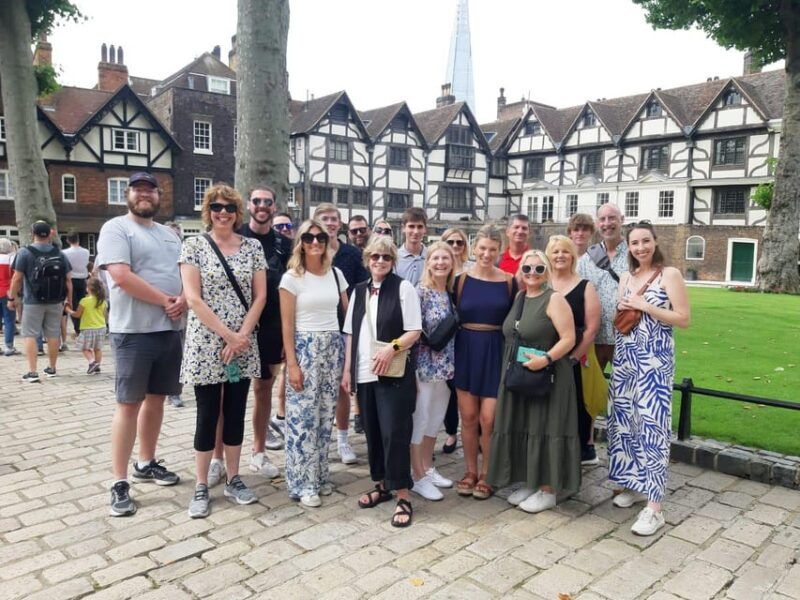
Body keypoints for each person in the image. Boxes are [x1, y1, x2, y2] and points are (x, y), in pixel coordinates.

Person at [97, 171, 185, 517]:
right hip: (133, 331)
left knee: (157, 400)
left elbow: (184, 273)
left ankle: (145, 461)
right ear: (128, 195)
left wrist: (184, 300)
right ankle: (119, 481)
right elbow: (120, 276)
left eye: (150, 190)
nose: (144, 195)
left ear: (158, 196)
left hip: (169, 329)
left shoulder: (170, 234)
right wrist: (167, 300)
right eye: (138, 190)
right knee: (128, 404)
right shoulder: (116, 229)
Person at [180, 183, 267, 518]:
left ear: (237, 212)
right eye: (217, 207)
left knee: (234, 412)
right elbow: (193, 298)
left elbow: (260, 296)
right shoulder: (194, 246)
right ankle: (201, 483)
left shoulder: (253, 247)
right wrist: (228, 336)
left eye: (229, 208)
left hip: (243, 343)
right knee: (206, 413)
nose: (223, 213)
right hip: (207, 342)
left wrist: (241, 336)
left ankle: (234, 476)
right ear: (209, 210)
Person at [608, 221, 690, 536]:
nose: (640, 247)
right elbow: (620, 313)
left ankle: (655, 506)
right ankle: (634, 482)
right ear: (628, 247)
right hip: (626, 358)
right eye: (634, 243)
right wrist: (626, 304)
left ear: (655, 242)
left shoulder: (669, 274)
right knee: (626, 423)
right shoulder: (627, 277)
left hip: (654, 362)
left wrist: (644, 305)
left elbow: (683, 319)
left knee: (652, 425)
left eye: (645, 241)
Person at [487, 250, 580, 513]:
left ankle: (548, 490)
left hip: (547, 375)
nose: (532, 274)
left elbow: (569, 338)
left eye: (539, 269)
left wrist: (546, 359)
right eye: (527, 269)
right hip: (520, 374)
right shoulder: (519, 297)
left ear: (547, 271)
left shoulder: (555, 299)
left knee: (545, 427)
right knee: (526, 425)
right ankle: (531, 480)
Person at [212, 185, 291, 487]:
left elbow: (289, 291)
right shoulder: (236, 237)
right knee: (227, 393)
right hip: (236, 329)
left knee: (263, 391)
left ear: (274, 206)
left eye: (267, 202)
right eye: (256, 201)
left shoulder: (285, 245)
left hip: (270, 328)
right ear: (248, 205)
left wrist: (287, 335)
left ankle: (259, 451)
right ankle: (218, 458)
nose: (262, 206)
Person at [342, 236, 422, 527]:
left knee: (395, 433)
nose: (379, 261)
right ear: (367, 259)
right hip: (364, 372)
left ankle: (403, 495)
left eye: (385, 257)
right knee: (373, 432)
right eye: (375, 257)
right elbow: (350, 333)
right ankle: (382, 485)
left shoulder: (404, 288)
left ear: (392, 261)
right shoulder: (359, 291)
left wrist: (392, 348)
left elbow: (415, 330)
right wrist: (348, 371)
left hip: (393, 373)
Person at [280, 219, 349, 508]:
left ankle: (319, 474)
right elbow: (287, 326)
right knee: (302, 419)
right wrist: (293, 364)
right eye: (309, 237)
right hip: (305, 349)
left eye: (320, 237)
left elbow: (349, 313)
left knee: (324, 415)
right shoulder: (291, 278)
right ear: (301, 241)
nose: (315, 242)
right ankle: (302, 481)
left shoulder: (336, 274)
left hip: (332, 348)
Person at [453, 224, 516, 500]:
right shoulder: (460, 280)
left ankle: (488, 473)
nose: (487, 254)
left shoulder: (510, 281)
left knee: (489, 419)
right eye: (482, 248)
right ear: (474, 248)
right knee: (467, 417)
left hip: (495, 351)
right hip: (466, 348)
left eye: (492, 249)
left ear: (499, 250)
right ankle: (469, 470)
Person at [313, 203, 369, 464]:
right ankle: (318, 441)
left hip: (342, 327)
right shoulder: (307, 252)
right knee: (314, 390)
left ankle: (343, 440)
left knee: (343, 387)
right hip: (313, 327)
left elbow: (363, 287)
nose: (331, 222)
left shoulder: (350, 253)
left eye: (335, 219)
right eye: (325, 218)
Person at [546, 235, 601, 465]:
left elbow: (591, 327)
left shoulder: (584, 286)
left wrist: (573, 357)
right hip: (544, 355)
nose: (560, 256)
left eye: (565, 251)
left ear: (573, 256)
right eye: (555, 251)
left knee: (577, 405)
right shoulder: (541, 281)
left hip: (573, 358)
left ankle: (576, 455)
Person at [411, 242, 456, 501]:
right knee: (421, 418)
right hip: (424, 367)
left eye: (445, 258)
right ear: (428, 263)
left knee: (435, 419)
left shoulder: (449, 293)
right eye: (436, 258)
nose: (440, 262)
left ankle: (427, 467)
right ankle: (416, 475)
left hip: (446, 367)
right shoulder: (421, 292)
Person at [8, 221, 72, 382]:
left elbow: (17, 278)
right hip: (55, 301)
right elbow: (68, 280)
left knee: (30, 334)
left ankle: (32, 371)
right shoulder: (60, 253)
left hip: (32, 301)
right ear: (50, 234)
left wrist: (12, 298)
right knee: (53, 333)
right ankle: (52, 368)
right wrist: (68, 301)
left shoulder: (24, 253)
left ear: (33, 234)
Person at [578, 204, 628, 370]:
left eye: (612, 217)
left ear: (622, 220)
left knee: (627, 392)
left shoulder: (635, 254)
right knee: (590, 393)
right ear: (597, 223)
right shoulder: (587, 259)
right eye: (602, 219)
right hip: (594, 339)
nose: (607, 223)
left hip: (625, 338)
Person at [439, 227, 473, 453]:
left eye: (459, 243)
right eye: (450, 242)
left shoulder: (472, 270)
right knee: (448, 388)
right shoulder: (441, 268)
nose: (455, 247)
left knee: (468, 386)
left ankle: (473, 430)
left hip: (469, 335)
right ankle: (452, 431)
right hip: (446, 337)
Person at [269, 211, 295, 441]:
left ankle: (281, 416)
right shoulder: (271, 253)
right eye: (279, 227)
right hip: (270, 322)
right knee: (269, 377)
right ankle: (272, 420)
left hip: (291, 322)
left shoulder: (294, 253)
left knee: (286, 371)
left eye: (288, 226)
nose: (285, 230)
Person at [65, 277, 107, 375]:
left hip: (88, 328)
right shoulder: (103, 301)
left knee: (84, 347)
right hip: (101, 327)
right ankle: (97, 366)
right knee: (98, 348)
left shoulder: (84, 301)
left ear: (88, 288)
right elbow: (104, 315)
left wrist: (68, 310)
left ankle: (92, 363)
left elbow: (77, 315)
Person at [164, 222, 185, 408]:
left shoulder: (186, 253)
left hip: (182, 315)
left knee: (178, 355)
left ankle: (174, 392)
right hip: (159, 311)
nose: (175, 238)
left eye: (177, 235)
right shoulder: (159, 254)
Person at [62, 231, 90, 337]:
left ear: (68, 240)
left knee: (72, 303)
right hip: (82, 280)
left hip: (71, 280)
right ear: (78, 239)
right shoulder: (86, 252)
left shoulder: (64, 253)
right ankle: (83, 326)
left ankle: (78, 328)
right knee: (82, 303)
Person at [394, 207, 427, 286]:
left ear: (425, 229)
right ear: (403, 228)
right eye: (411, 226)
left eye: (420, 227)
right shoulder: (394, 258)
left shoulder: (432, 257)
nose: (415, 231)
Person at [0, 238, 18, 356]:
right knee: (9, 320)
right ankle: (9, 346)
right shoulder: (11, 259)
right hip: (7, 291)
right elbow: (15, 276)